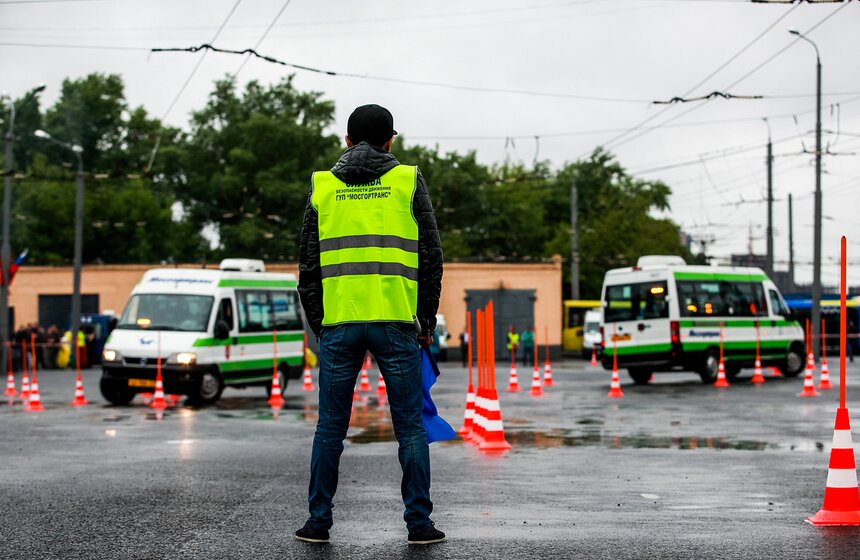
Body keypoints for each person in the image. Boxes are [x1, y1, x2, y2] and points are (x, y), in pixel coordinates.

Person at [296, 104, 445, 545]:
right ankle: (418, 525)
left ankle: (317, 523)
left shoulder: (322, 186)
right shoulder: (406, 179)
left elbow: (308, 265)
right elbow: (430, 256)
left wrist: (321, 324)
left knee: (330, 429)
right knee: (410, 428)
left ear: (346, 141)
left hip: (340, 323)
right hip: (397, 322)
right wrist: (426, 321)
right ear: (390, 141)